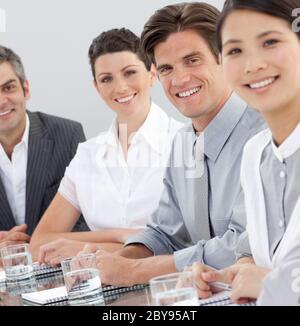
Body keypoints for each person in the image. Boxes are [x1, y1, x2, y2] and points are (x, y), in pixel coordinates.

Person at [82, 2, 265, 295]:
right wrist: (113, 263)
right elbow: (164, 232)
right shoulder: (182, 141)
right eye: (166, 68)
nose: (179, 80)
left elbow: (245, 246)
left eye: (192, 60)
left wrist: (134, 271)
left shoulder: (265, 133)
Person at [30, 28, 183, 264]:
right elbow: (40, 242)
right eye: (106, 79)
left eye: (130, 72)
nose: (120, 87)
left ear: (152, 74)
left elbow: (189, 242)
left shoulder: (183, 142)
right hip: (99, 290)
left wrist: (85, 247)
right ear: (97, 87)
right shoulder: (87, 155)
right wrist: (119, 236)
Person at [198, 0, 300, 305]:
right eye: (234, 50)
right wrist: (224, 278)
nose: (252, 64)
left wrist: (272, 283)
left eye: (269, 41)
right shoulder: (255, 154)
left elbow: (276, 279)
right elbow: (266, 264)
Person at [0, 46, 87, 250]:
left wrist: (34, 246)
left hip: (58, 266)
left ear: (26, 89)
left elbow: (88, 217)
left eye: (8, 88)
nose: (2, 101)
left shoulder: (68, 135)